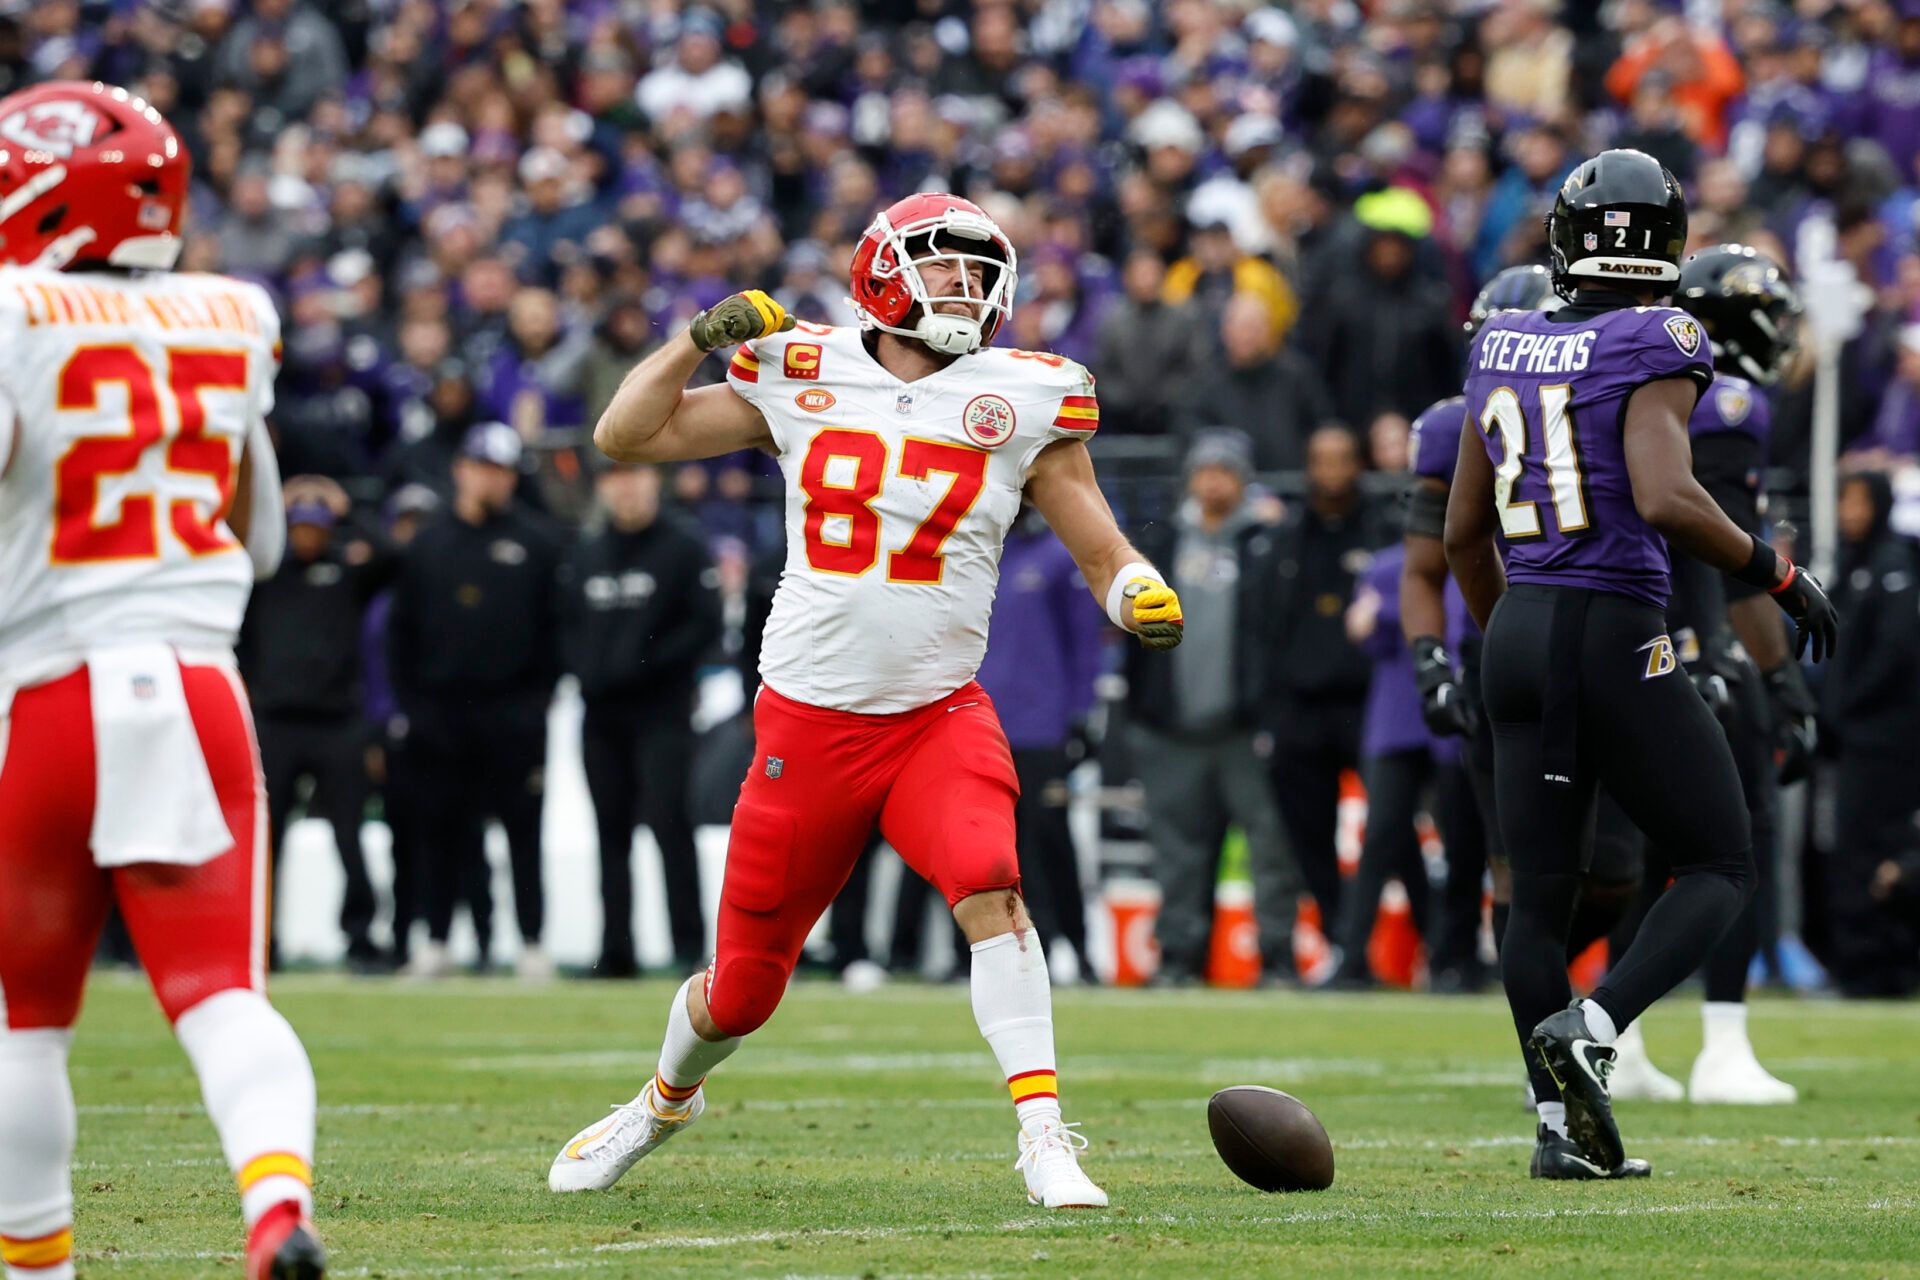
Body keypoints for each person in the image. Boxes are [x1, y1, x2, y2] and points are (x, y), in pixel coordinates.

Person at [547, 193, 1186, 1210]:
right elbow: (627, 436)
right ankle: (664, 1098)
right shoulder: (802, 371)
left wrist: (1132, 593)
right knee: (742, 989)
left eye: (981, 273)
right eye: (946, 268)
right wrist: (694, 340)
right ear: (884, 272)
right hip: (807, 720)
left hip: (937, 711)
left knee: (992, 885)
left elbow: (1100, 545)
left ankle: (1042, 1133)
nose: (968, 288)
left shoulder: (1025, 397)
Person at [1445, 149, 1837, 1181]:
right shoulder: (1660, 333)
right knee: (1721, 856)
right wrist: (1779, 572)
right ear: (1667, 242)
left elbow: (1459, 537)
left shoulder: (1502, 338)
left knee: (1536, 900)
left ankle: (1557, 1129)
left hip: (1518, 622)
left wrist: (1510, 640)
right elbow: (1666, 495)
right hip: (1609, 618)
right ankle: (1599, 1025)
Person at [0, 82, 324, 1279]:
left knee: (26, 1024)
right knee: (219, 992)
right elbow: (268, 535)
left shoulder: (12, 312)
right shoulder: (231, 312)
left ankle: (39, 1269)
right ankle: (275, 1207)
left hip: (44, 699)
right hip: (196, 687)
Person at [1603, 245, 1807, 1104]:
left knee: (1653, 853)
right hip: (1691, 640)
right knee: (1737, 839)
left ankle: (1623, 1040)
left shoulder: (1642, 376)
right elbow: (1719, 549)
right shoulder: (1725, 399)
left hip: (1626, 631)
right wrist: (1749, 664)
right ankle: (1722, 1043)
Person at [388, 422, 564, 981]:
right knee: (439, 830)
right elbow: (401, 635)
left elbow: (556, 633)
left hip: (512, 712)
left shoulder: (537, 543)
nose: (493, 480)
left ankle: (532, 942)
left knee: (523, 832)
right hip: (440, 713)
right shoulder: (428, 543)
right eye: (484, 467)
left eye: (503, 470)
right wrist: (414, 708)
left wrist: (537, 703)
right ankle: (435, 939)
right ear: (461, 468)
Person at [1125, 432, 1298, 986]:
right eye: (1206, 469)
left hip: (1245, 728)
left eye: (1225, 470)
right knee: (1177, 853)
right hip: (1173, 727)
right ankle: (1179, 957)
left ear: (1244, 478)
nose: (1214, 480)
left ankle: (1275, 957)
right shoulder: (1165, 539)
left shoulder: (1267, 539)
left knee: (1270, 850)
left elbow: (1277, 632)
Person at [563, 462, 723, 978]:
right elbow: (561, 626)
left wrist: (644, 666)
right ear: (603, 488)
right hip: (601, 715)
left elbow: (704, 623)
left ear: (655, 481)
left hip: (663, 713)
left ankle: (689, 948)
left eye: (635, 476)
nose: (626, 489)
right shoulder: (585, 554)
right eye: (614, 478)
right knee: (610, 832)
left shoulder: (683, 547)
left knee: (669, 825)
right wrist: (587, 671)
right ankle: (615, 950)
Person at [239, 479, 391, 971]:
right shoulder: (263, 574)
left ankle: (361, 938)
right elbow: (233, 542)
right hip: (275, 724)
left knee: (349, 835)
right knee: (267, 840)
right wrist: (271, 506)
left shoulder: (346, 572)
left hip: (337, 724)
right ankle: (263, 940)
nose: (307, 536)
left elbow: (394, 557)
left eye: (317, 528)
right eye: (298, 527)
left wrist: (348, 507)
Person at [1264, 425, 1392, 933]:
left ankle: (1420, 941)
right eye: (1321, 459)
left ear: (1359, 465)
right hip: (1300, 706)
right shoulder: (1287, 539)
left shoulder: (1383, 532)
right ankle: (1341, 936)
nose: (1332, 471)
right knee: (1306, 832)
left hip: (1369, 701)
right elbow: (1266, 624)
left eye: (1342, 459)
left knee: (1390, 828)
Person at [974, 506, 1109, 983]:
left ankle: (1074, 945)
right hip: (979, 726)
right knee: (986, 847)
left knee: (1049, 840)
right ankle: (991, 953)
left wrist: (1082, 715)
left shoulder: (1057, 557)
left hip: (1040, 726)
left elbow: (1085, 644)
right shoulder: (980, 556)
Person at [1821, 470, 1920, 997]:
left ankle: (1882, 967)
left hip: (1886, 740)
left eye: (1858, 501)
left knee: (1877, 849)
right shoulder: (1852, 567)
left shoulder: (1892, 568)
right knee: (1852, 848)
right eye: (1844, 501)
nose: (1849, 512)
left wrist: (1844, 706)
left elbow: (1895, 652)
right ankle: (1858, 965)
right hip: (1856, 738)